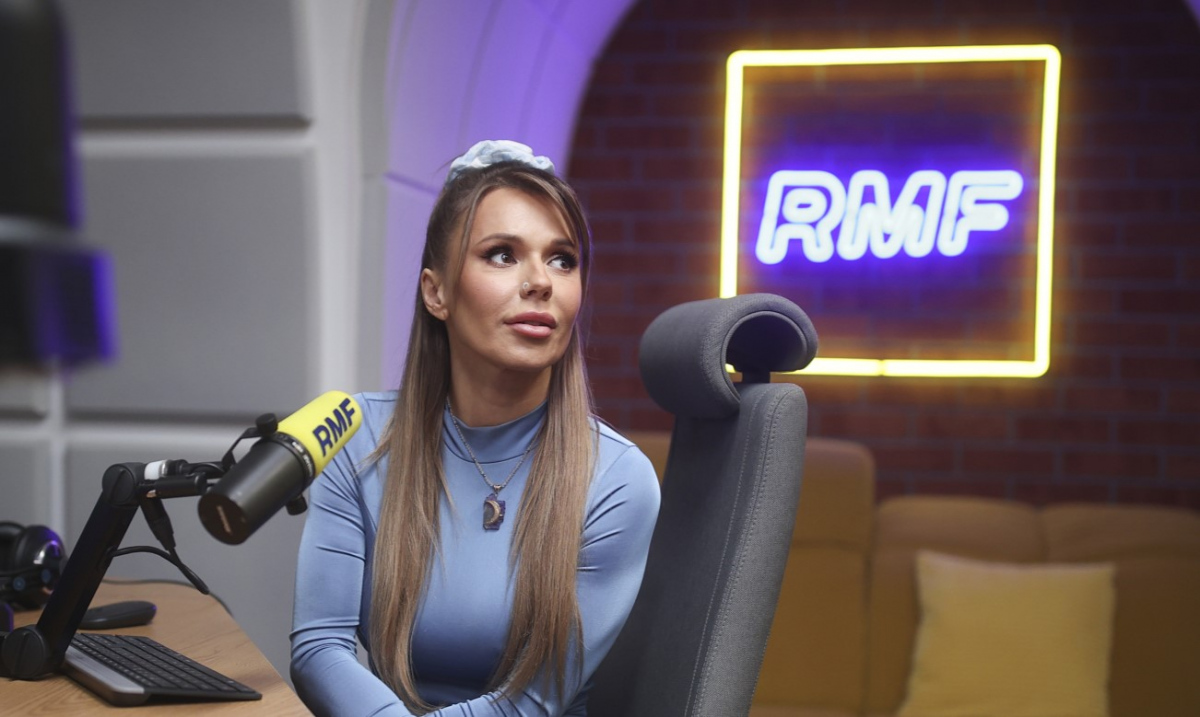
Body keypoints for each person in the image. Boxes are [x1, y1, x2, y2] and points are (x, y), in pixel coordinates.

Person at [290, 140, 661, 716]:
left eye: (562, 260)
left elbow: (532, 702)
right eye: (502, 254)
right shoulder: (357, 437)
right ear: (436, 292)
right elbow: (320, 648)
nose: (540, 281)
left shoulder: (617, 478)